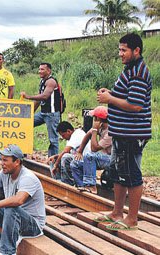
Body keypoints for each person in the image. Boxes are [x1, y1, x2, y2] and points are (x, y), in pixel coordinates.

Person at [96, 33, 152, 231]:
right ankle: (117, 212)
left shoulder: (138, 72)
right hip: (122, 132)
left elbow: (135, 105)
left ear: (136, 50)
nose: (120, 54)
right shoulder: (130, 69)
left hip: (132, 133)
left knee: (131, 174)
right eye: (119, 49)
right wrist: (110, 94)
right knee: (119, 173)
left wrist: (109, 100)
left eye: (124, 50)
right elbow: (125, 96)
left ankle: (132, 219)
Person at [0, 144, 45, 255]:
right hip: (12, 218)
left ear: (17, 162)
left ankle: (7, 252)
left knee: (11, 207)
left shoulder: (27, 177)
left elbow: (19, 200)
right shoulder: (4, 173)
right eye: (1, 159)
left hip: (32, 225)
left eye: (5, 160)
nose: (1, 163)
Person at [20, 62, 62, 157]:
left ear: (49, 71)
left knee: (53, 139)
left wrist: (28, 97)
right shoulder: (42, 81)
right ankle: (23, 151)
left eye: (42, 69)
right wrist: (31, 113)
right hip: (43, 113)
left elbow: (44, 96)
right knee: (25, 125)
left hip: (51, 114)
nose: (40, 71)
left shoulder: (51, 81)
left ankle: (54, 160)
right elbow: (38, 100)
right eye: (39, 69)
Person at [70, 106, 112, 194]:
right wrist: (80, 151)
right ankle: (82, 186)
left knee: (89, 156)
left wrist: (95, 130)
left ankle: (91, 186)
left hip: (112, 160)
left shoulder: (110, 132)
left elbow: (94, 149)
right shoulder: (100, 127)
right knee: (75, 163)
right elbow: (87, 135)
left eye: (94, 118)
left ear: (98, 119)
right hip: (101, 158)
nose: (93, 119)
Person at [50, 121, 87, 186]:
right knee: (54, 159)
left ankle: (67, 183)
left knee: (65, 158)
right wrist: (55, 157)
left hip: (85, 159)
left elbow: (66, 151)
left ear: (68, 131)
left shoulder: (78, 134)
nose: (63, 138)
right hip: (76, 158)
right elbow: (68, 152)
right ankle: (58, 183)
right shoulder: (70, 138)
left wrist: (56, 165)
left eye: (63, 135)